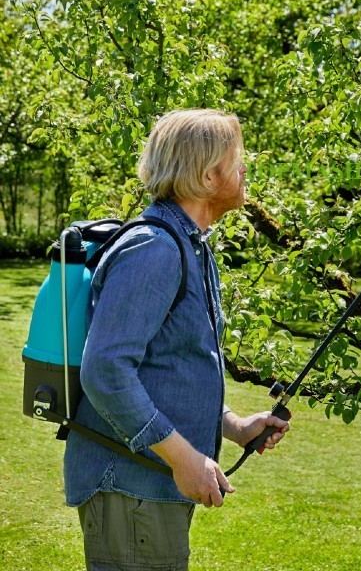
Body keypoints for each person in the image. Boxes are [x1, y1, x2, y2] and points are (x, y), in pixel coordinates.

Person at [64, 108, 289, 571]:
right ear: (208, 176)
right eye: (236, 156)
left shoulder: (190, 244)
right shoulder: (156, 247)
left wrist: (233, 424)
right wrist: (186, 458)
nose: (246, 167)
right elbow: (106, 371)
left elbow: (174, 364)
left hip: (148, 487)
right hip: (129, 487)